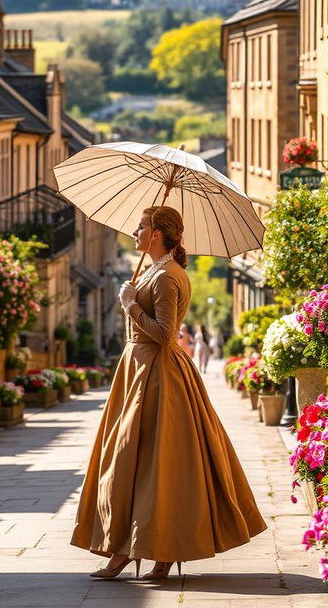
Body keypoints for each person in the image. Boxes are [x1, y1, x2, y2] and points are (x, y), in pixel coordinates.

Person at [71, 205, 266, 581]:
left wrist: (129, 305)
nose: (134, 232)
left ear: (157, 233)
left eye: (140, 226)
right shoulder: (157, 271)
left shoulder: (167, 276)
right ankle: (148, 551)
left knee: (147, 463)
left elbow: (164, 334)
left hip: (156, 376)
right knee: (141, 463)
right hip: (139, 372)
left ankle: (139, 550)